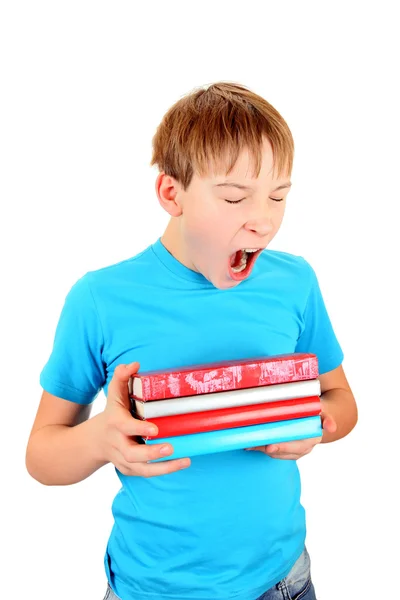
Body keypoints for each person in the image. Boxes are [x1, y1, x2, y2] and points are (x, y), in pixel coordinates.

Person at [26, 81, 358, 600]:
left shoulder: (295, 282)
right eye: (234, 196)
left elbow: (342, 402)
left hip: (285, 580)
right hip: (154, 588)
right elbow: (41, 457)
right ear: (171, 193)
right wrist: (99, 439)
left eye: (278, 195)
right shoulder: (100, 298)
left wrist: (317, 427)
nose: (264, 219)